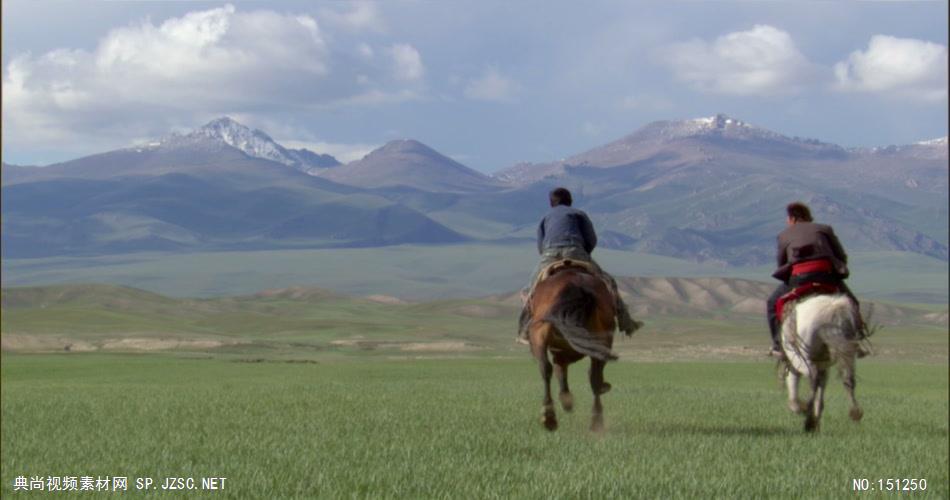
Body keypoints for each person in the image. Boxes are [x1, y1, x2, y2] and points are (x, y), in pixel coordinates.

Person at [518, 187, 641, 341]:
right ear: (570, 201)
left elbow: (541, 245)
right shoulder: (578, 214)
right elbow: (591, 239)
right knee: (609, 282)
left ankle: (524, 330)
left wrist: (548, 254)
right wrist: (585, 254)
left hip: (550, 254)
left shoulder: (545, 217)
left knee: (529, 289)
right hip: (575, 251)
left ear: (551, 203)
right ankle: (625, 323)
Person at [767, 201, 864, 357]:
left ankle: (778, 345)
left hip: (799, 279)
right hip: (826, 276)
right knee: (852, 302)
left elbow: (781, 262)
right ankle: (855, 339)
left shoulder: (784, 235)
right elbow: (841, 255)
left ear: (792, 218)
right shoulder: (825, 229)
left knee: (772, 304)